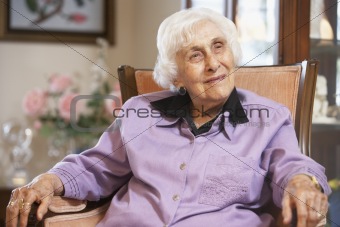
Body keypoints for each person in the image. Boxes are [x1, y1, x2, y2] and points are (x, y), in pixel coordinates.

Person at [7, 8, 330, 227]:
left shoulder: (269, 118)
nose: (213, 63)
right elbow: (97, 166)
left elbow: (291, 165)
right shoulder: (139, 113)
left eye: (219, 47)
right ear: (175, 75)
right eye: (195, 55)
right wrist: (49, 179)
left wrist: (303, 182)